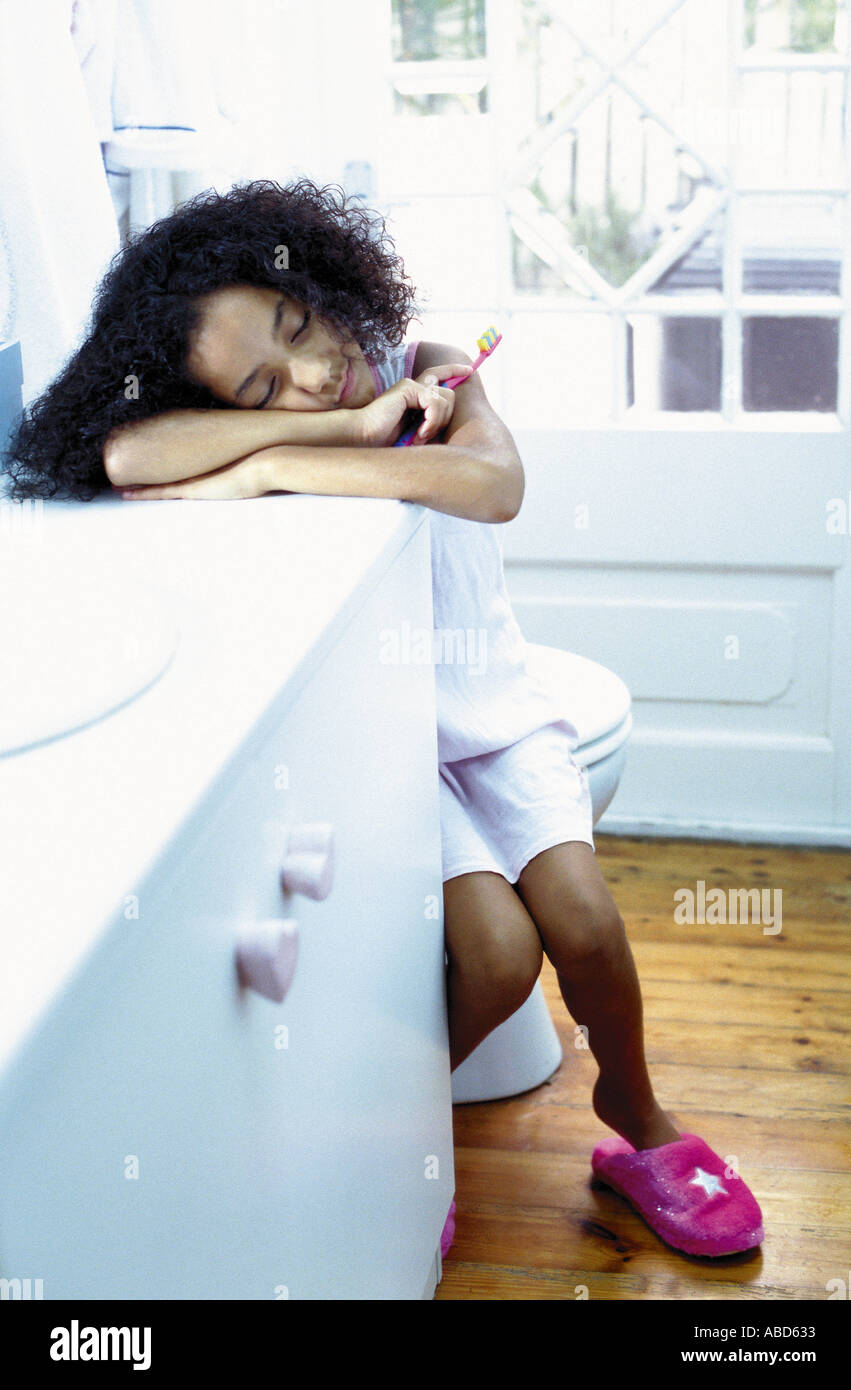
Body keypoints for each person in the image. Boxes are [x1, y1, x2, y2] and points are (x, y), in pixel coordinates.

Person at [4, 179, 764, 1261]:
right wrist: (312, 436)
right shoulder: (310, 425)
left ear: (313, 280)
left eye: (300, 328)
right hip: (409, 746)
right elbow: (126, 459)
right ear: (230, 404)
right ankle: (388, 1147)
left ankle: (635, 1116)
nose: (313, 371)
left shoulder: (431, 364)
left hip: (497, 719)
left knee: (584, 925)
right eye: (265, 386)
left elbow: (495, 483)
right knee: (497, 958)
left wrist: (280, 457)